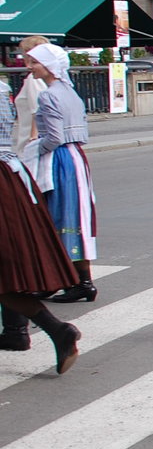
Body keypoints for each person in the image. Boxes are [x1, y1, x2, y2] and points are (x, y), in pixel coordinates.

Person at [0, 78, 82, 372]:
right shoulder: (1, 87)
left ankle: (53, 330)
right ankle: (26, 331)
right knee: (6, 269)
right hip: (10, 174)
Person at [23, 42, 98, 303]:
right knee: (73, 218)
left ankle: (72, 282)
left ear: (50, 66)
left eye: (34, 62)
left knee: (57, 217)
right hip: (75, 157)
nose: (29, 66)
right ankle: (76, 281)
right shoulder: (68, 90)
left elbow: (53, 137)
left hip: (59, 160)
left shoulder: (49, 94)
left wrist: (34, 149)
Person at [13, 35, 49, 155]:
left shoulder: (33, 79)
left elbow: (37, 111)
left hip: (29, 143)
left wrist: (33, 140)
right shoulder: (50, 77)